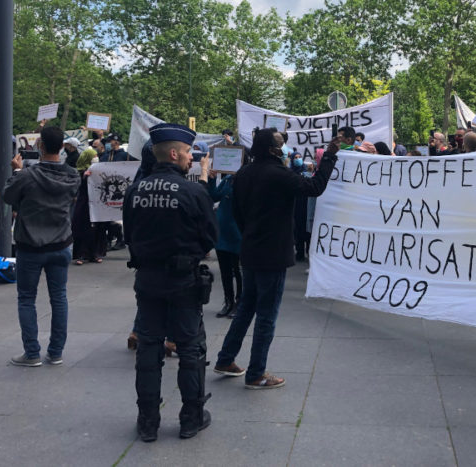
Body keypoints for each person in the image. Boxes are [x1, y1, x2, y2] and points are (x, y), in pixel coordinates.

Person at [213, 129, 339, 389]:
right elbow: (315, 188)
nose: (283, 148)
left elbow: (237, 213)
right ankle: (256, 373)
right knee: (267, 315)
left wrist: (251, 233)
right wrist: (328, 158)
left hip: (250, 249)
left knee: (247, 307)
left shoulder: (243, 174)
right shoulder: (279, 175)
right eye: (280, 144)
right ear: (272, 149)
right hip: (272, 253)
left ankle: (226, 358)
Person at [124, 123, 217, 442]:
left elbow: (129, 235)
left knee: (149, 347)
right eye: (190, 152)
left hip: (148, 279)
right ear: (175, 154)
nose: (192, 158)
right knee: (191, 348)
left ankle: (148, 420)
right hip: (184, 281)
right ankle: (191, 417)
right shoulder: (193, 192)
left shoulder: (136, 190)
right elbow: (209, 238)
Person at [3, 127, 79, 366]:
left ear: (41, 146)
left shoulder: (26, 175)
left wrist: (16, 171)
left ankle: (32, 353)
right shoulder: (73, 175)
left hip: (30, 245)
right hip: (61, 243)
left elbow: (7, 197)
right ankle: (56, 352)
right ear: (62, 147)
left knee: (26, 298)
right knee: (59, 298)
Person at [208, 171, 242, 319]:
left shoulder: (246, 181)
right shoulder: (227, 179)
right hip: (222, 234)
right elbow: (214, 196)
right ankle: (228, 301)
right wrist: (212, 179)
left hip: (238, 234)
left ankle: (239, 303)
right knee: (225, 271)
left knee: (239, 271)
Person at [71, 147, 108, 265]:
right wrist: (84, 176)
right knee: (83, 227)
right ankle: (81, 254)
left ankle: (95, 253)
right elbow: (76, 185)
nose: (95, 158)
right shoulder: (78, 172)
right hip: (84, 203)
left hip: (96, 203)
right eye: (93, 156)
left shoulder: (99, 170)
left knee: (96, 228)